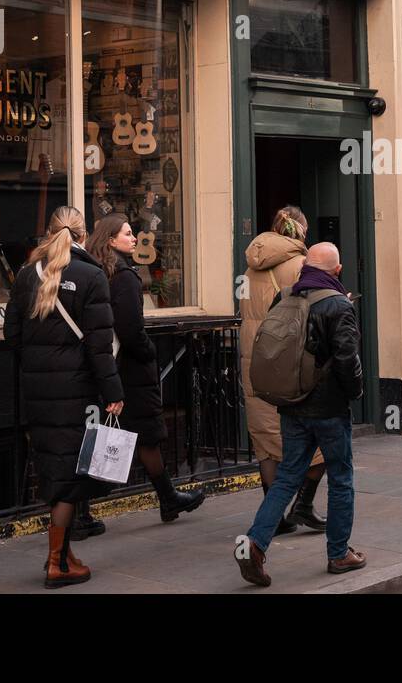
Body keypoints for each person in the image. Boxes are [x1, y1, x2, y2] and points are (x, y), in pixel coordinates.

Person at [3, 206, 123, 589]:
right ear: (83, 235)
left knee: (54, 467)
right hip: (77, 390)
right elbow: (100, 346)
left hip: (38, 390)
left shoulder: (26, 275)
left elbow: (12, 336)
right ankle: (56, 562)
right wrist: (113, 391)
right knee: (71, 474)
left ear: (49, 232)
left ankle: (64, 552)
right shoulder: (91, 276)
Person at [236, 242, 365, 587]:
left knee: (287, 477)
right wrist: (355, 393)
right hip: (329, 409)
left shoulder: (287, 295)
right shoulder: (338, 304)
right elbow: (346, 358)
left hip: (292, 404)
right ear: (337, 271)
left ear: (306, 267)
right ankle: (339, 553)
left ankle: (254, 542)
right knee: (341, 477)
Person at [86, 213, 206, 527]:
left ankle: (84, 512)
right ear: (111, 240)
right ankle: (167, 498)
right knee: (145, 435)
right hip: (131, 370)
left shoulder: (97, 271)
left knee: (113, 434)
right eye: (127, 233)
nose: (134, 237)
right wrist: (149, 351)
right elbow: (130, 329)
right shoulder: (124, 276)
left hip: (106, 366)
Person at [239, 206, 327, 534]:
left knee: (265, 442)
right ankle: (303, 504)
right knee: (320, 440)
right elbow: (318, 310)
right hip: (291, 363)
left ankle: (274, 517)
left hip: (255, 362)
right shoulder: (301, 265)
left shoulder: (249, 269)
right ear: (301, 231)